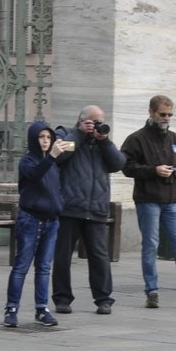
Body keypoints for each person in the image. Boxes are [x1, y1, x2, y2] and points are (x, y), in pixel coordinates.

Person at [121, 95, 176, 310]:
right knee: (150, 245)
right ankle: (152, 291)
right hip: (148, 199)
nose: (166, 118)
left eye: (169, 115)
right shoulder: (136, 139)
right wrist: (153, 171)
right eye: (162, 114)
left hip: (172, 199)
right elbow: (126, 166)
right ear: (151, 113)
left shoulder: (174, 138)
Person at [52, 105, 126, 315]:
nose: (96, 126)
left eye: (99, 121)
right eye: (92, 122)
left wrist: (105, 141)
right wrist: (79, 134)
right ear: (80, 119)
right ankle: (62, 299)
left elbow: (118, 163)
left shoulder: (102, 143)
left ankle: (104, 299)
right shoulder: (66, 134)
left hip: (96, 208)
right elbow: (58, 157)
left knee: (100, 256)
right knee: (63, 255)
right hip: (70, 207)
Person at [6, 122, 73, 328]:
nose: (45, 141)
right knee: (21, 266)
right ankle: (11, 309)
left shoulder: (52, 163)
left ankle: (41, 308)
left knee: (44, 267)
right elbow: (35, 174)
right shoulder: (28, 161)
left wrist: (59, 205)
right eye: (41, 137)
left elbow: (54, 187)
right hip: (31, 219)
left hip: (51, 221)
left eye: (48, 137)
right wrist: (51, 156)